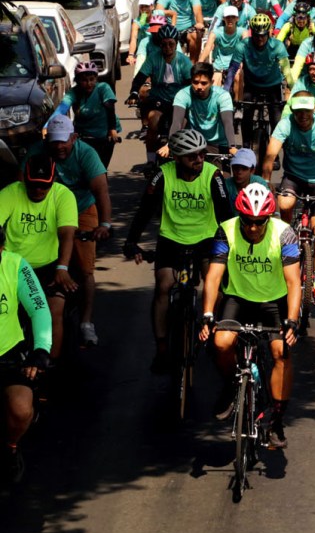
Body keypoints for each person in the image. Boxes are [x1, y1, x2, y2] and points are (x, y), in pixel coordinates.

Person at [199, 184, 302, 451]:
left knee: (281, 352)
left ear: (269, 218)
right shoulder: (226, 230)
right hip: (239, 298)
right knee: (221, 343)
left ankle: (277, 421)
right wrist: (208, 313)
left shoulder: (285, 235)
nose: (253, 228)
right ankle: (232, 384)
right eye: (248, 221)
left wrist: (291, 320)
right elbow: (213, 276)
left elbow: (293, 282)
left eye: (259, 222)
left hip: (274, 300)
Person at [124, 129, 232, 372]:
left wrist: (232, 245)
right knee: (163, 286)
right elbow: (145, 210)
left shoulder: (213, 175)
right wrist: (131, 241)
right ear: (177, 158)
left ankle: (213, 332)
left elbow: (226, 215)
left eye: (202, 154)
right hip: (171, 239)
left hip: (206, 239)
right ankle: (162, 348)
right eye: (192, 156)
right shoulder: (162, 175)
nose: (199, 159)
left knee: (215, 285)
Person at [31, 116, 113, 350]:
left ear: (74, 138)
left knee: (86, 268)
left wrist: (105, 224)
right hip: (47, 209)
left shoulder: (86, 154)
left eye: (63, 142)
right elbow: (21, 184)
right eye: (54, 142)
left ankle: (86, 322)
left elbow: (102, 191)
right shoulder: (37, 152)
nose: (58, 147)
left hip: (81, 209)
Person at [261, 93, 315, 309]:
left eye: (306, 111)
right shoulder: (285, 125)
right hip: (294, 178)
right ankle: (288, 235)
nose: (302, 116)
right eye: (298, 111)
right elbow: (271, 154)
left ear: (314, 108)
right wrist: (266, 181)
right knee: (286, 204)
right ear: (293, 110)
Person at [0, 155, 78, 358]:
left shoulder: (63, 196)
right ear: (24, 180)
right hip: (13, 267)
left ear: (53, 182)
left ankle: (48, 366)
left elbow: (67, 234)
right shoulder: (10, 193)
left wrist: (62, 268)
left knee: (54, 311)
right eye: (33, 185)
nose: (38, 191)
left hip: (49, 266)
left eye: (44, 186)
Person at [0, 223, 52, 484]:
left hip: (8, 352)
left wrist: (41, 349)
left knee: (21, 410)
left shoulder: (15, 264)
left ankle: (10, 447)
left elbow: (39, 308)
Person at [128, 25, 194, 167]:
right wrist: (133, 91)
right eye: (164, 44)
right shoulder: (153, 58)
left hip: (179, 102)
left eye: (171, 44)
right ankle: (151, 160)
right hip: (159, 100)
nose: (167, 48)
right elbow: (140, 77)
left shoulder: (183, 61)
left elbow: (190, 83)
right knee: (153, 121)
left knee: (183, 126)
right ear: (160, 44)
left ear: (176, 44)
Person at [53, 60, 120, 168]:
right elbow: (62, 109)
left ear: (96, 79)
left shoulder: (103, 88)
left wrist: (112, 130)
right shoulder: (74, 92)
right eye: (84, 80)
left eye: (91, 79)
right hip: (82, 136)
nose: (89, 83)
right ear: (78, 80)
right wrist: (48, 126)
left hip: (104, 135)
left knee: (100, 168)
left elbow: (110, 107)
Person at [166, 62, 237, 155]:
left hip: (218, 144)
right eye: (195, 82)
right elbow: (176, 123)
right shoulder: (183, 94)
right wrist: (169, 145)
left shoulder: (222, 96)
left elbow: (228, 123)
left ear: (212, 82)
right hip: (194, 143)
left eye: (204, 83)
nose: (199, 87)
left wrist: (232, 146)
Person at [223, 148, 268, 213]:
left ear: (252, 170)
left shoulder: (259, 183)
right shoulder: (227, 185)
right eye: (236, 167)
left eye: (244, 168)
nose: (239, 172)